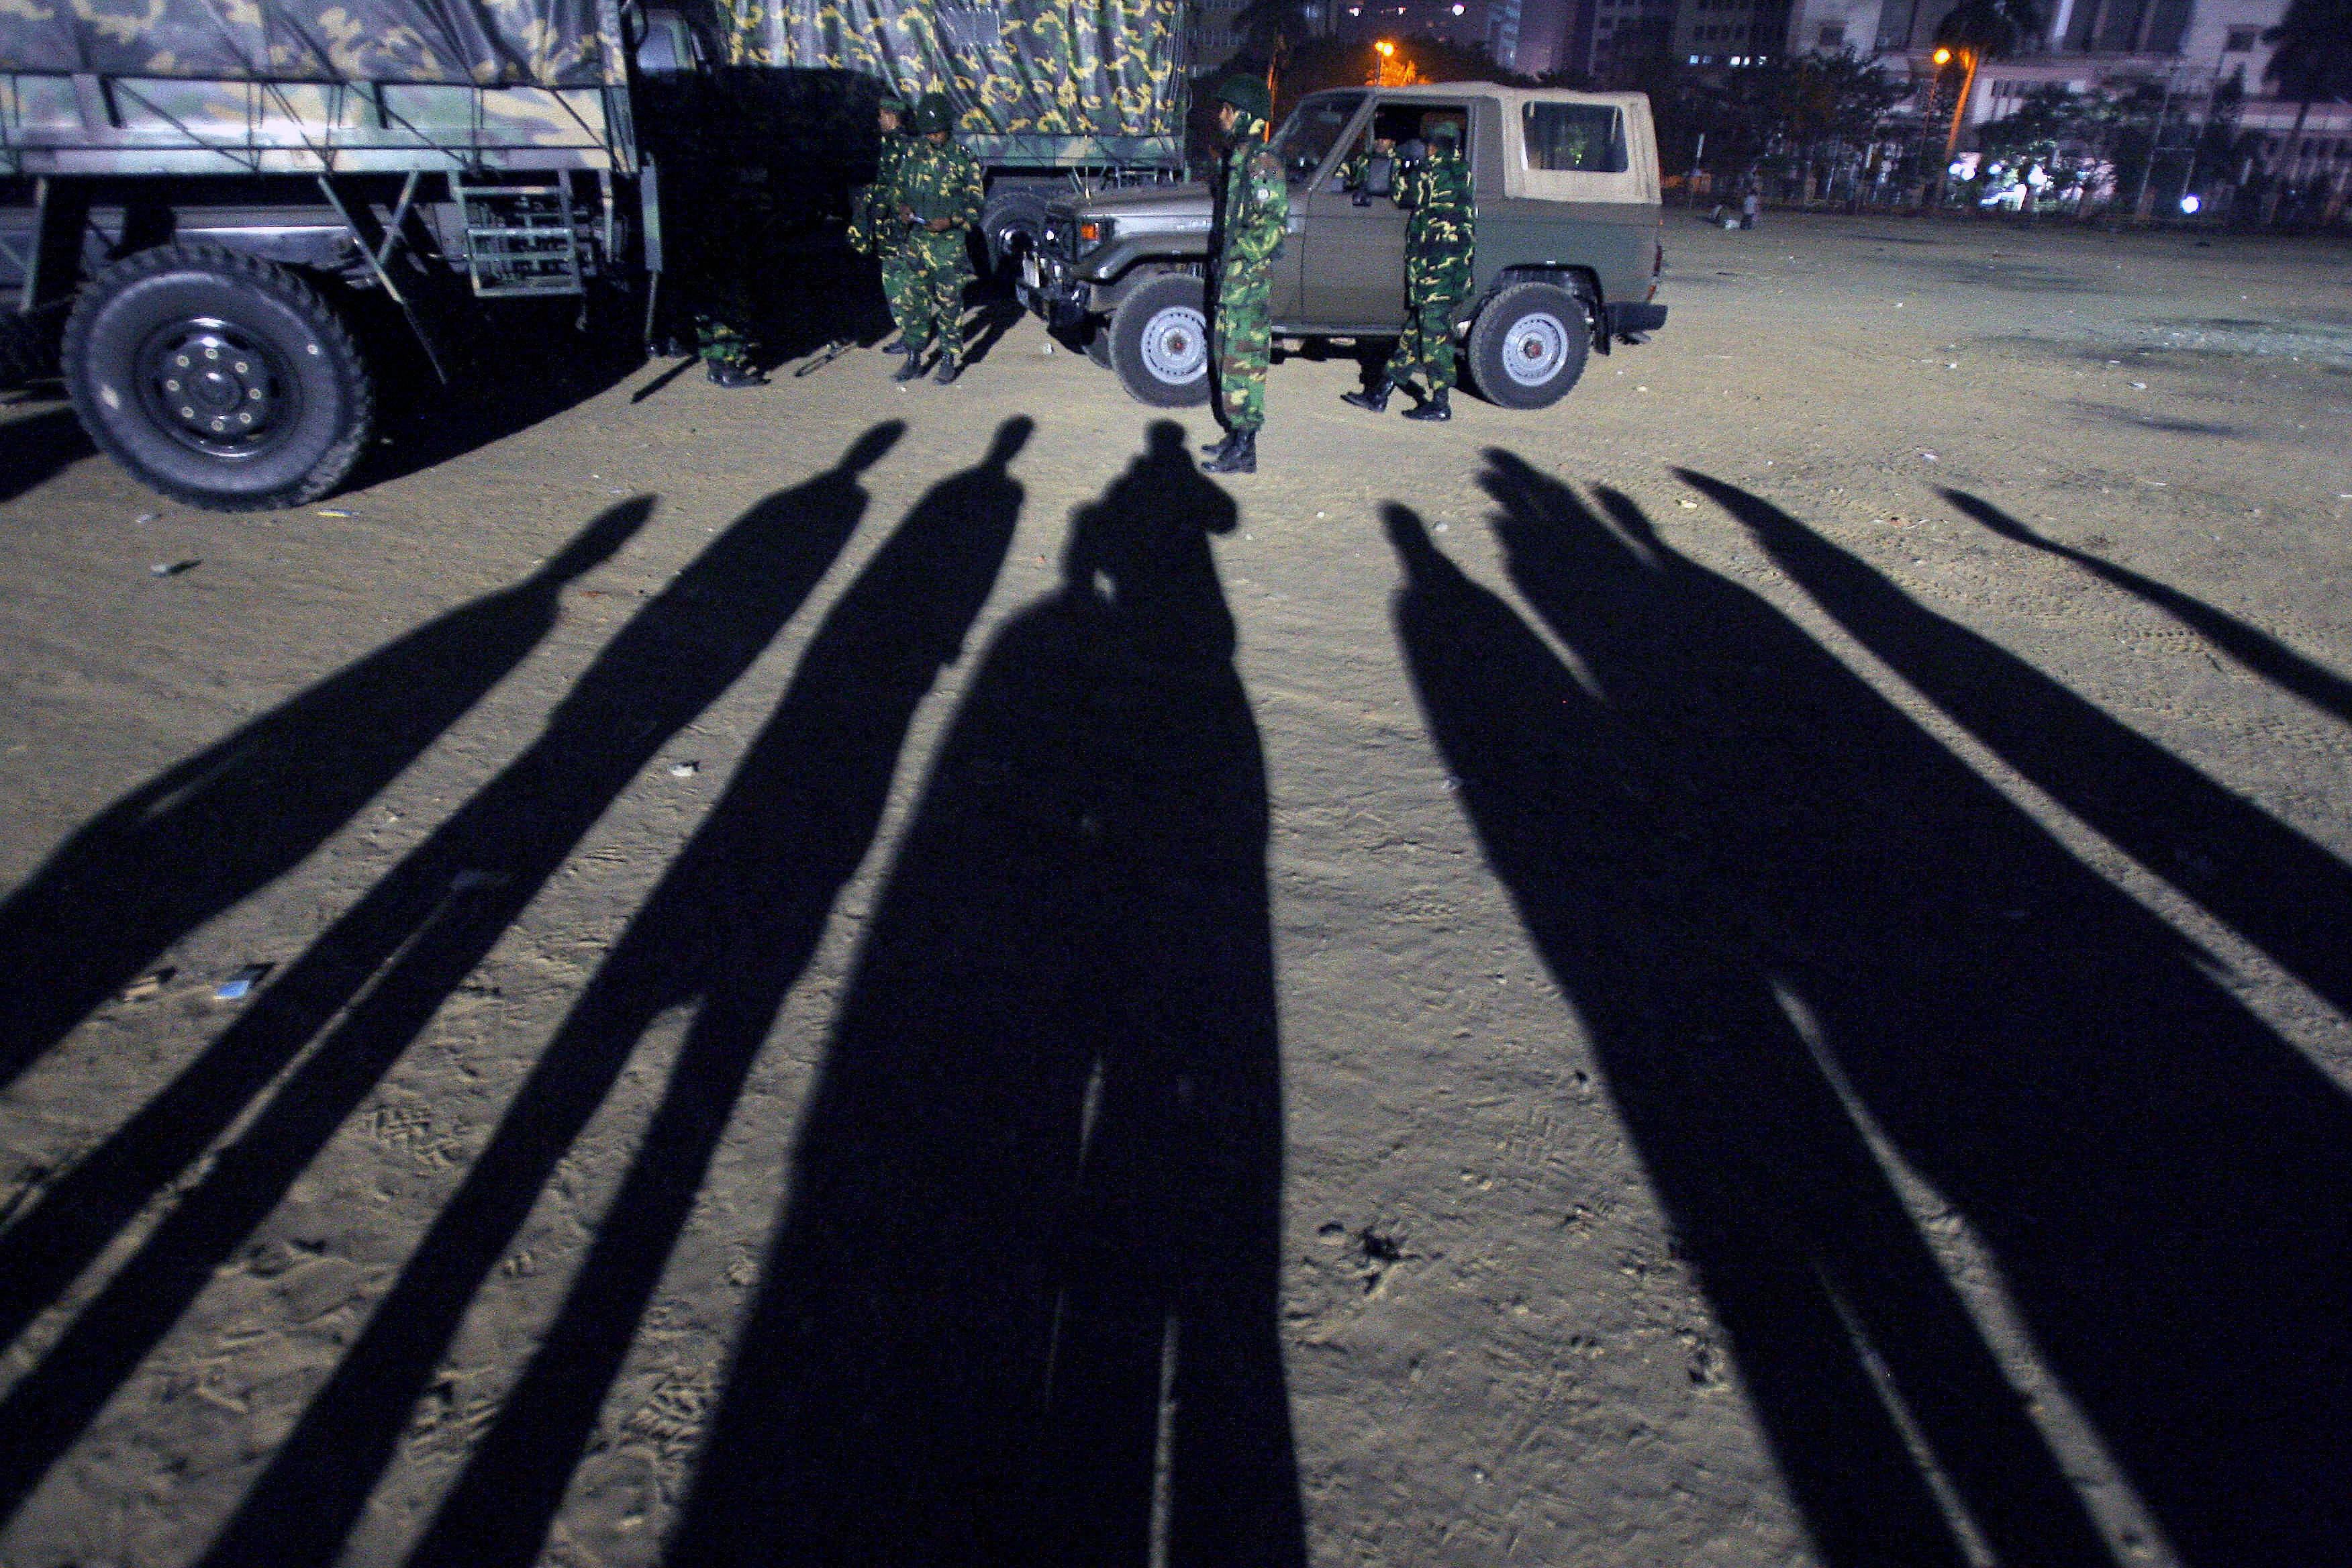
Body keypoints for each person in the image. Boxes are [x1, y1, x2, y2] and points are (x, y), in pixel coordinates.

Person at [1342, 115, 1473, 422]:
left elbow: (1402, 194)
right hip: (1451, 270)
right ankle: (1380, 393)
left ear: (1434, 147)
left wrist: (1398, 164)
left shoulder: (1432, 172)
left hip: (1435, 270)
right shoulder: (1463, 171)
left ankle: (1440, 402)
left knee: (1434, 337)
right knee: (1413, 335)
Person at [1201, 76, 1287, 475]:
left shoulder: (1262, 163)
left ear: (1247, 117)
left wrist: (1238, 257)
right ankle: (1235, 435)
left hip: (1246, 283)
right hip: (1229, 282)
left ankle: (1246, 449)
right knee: (1225, 359)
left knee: (1244, 364)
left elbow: (1273, 226)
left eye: (1228, 110)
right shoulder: (1236, 161)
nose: (1221, 116)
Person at [889, 92, 984, 385]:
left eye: (937, 131)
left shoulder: (963, 158)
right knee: (913, 302)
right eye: (928, 132)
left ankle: (948, 358)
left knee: (949, 304)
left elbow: (976, 206)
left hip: (948, 246)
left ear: (947, 127)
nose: (932, 136)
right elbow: (899, 190)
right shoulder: (913, 154)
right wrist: (903, 208)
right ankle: (913, 356)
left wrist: (951, 221)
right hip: (917, 242)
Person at [846, 92, 917, 355]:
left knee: (901, 283)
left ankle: (912, 337)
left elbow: (903, 188)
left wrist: (874, 197)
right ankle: (909, 333)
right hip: (888, 228)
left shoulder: (902, 146)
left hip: (898, 228)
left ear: (890, 115)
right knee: (894, 280)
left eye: (880, 115)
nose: (878, 120)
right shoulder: (891, 143)